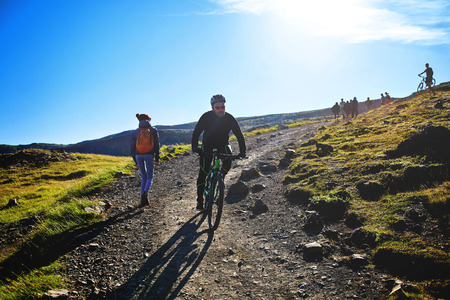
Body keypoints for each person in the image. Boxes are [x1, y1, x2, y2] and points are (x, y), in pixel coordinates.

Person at [191, 94, 246, 211]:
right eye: (218, 107)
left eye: (223, 107)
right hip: (208, 145)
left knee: (228, 160)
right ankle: (199, 200)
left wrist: (242, 152)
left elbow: (239, 135)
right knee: (203, 172)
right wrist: (195, 147)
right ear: (212, 108)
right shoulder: (206, 117)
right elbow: (196, 133)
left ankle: (219, 179)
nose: (221, 109)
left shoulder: (230, 118)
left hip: (223, 144)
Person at [131, 113, 160, 206]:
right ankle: (145, 193)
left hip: (138, 156)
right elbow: (156, 145)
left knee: (143, 176)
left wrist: (135, 161)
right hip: (149, 155)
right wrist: (157, 158)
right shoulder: (153, 130)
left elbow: (132, 147)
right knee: (150, 176)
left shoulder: (136, 132)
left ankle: (142, 199)